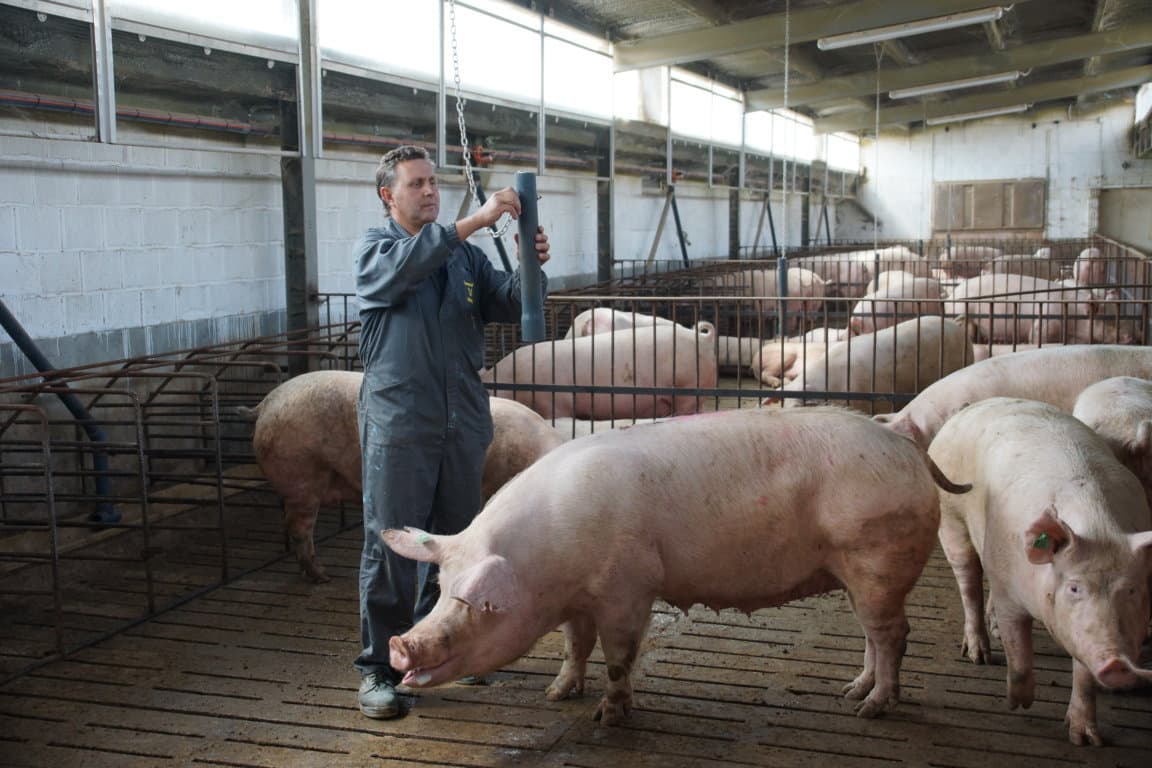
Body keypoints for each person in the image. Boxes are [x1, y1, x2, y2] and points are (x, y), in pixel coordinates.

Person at [353, 145, 549, 719]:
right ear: (388, 195)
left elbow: (510, 303)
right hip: (401, 423)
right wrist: (480, 220)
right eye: (416, 184)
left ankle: (437, 652)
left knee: (455, 544)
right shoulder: (378, 251)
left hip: (460, 420)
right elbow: (411, 264)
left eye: (433, 182)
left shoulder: (463, 261)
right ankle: (375, 668)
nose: (430, 191)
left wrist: (528, 262)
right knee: (391, 546)